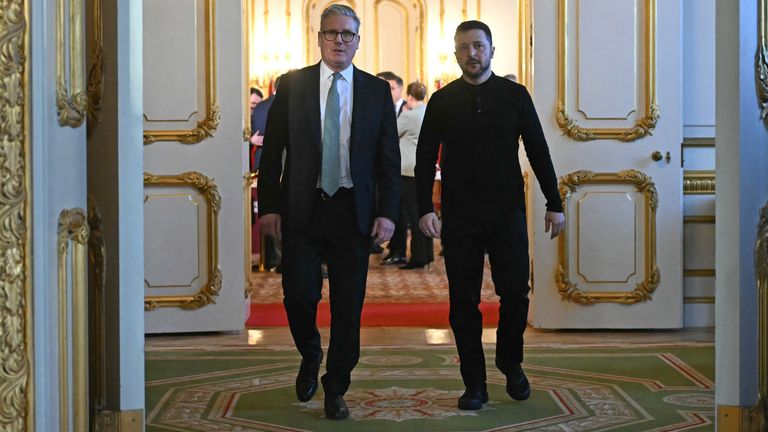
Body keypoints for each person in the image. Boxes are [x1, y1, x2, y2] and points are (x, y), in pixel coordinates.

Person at [258, 4, 400, 420]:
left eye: (347, 34)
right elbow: (272, 153)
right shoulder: (294, 85)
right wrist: (268, 207)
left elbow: (388, 160)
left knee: (347, 305)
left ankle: (336, 385)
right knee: (298, 297)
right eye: (331, 33)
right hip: (302, 209)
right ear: (319, 38)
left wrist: (388, 212)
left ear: (358, 40)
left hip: (353, 213)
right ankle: (309, 351)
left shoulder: (375, 91)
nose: (339, 41)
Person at [415, 20, 565, 411]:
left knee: (515, 293)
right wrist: (423, 209)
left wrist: (555, 202)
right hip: (460, 217)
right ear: (456, 54)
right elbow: (423, 159)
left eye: (478, 46)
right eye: (464, 47)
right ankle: (475, 383)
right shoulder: (442, 101)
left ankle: (510, 361)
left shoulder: (515, 96)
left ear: (492, 51)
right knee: (462, 300)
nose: (472, 54)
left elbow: (538, 150)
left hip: (507, 213)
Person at [396, 81, 433, 270]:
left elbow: (391, 131)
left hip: (408, 169)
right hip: (424, 168)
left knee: (413, 215)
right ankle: (427, 254)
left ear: (409, 97)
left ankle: (418, 257)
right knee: (424, 212)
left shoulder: (409, 115)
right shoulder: (429, 111)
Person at [375, 71, 407, 263]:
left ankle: (399, 250)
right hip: (380, 169)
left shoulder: (407, 110)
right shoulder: (375, 107)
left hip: (401, 169)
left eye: (390, 88)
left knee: (399, 211)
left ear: (400, 89)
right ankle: (392, 247)